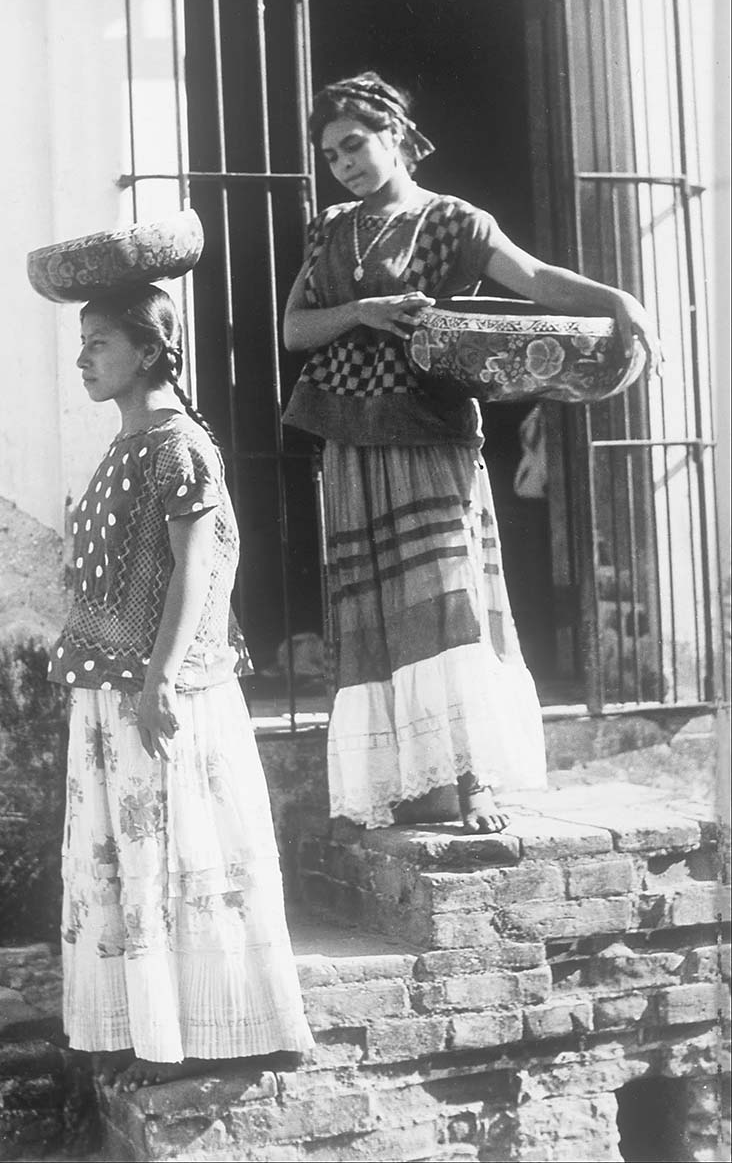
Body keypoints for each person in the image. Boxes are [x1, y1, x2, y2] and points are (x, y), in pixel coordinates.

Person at [282, 72, 661, 835]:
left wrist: (621, 302)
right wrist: (363, 309)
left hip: (428, 430)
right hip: (350, 439)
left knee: (450, 603)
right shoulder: (330, 228)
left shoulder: (453, 222)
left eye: (355, 144)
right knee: (378, 613)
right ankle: (403, 781)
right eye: (330, 154)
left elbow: (536, 280)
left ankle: (474, 780)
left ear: (396, 137)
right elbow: (295, 329)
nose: (344, 163)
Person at [48, 284, 313, 1089]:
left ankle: (205, 1036)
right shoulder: (127, 445)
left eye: (100, 341)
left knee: (175, 854)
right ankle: (150, 1028)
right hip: (111, 685)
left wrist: (161, 676)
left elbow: (198, 570)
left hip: (160, 692)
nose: (84, 355)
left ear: (151, 352)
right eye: (84, 340)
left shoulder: (176, 445)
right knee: (131, 861)